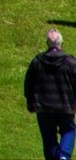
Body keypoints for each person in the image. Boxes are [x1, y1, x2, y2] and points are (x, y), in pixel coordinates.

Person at [26, 28, 76, 160]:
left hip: (43, 106)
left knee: (48, 136)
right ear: (62, 43)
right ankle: (64, 156)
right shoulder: (70, 62)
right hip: (65, 106)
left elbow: (28, 84)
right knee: (68, 130)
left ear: (47, 44)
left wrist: (30, 102)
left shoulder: (37, 61)